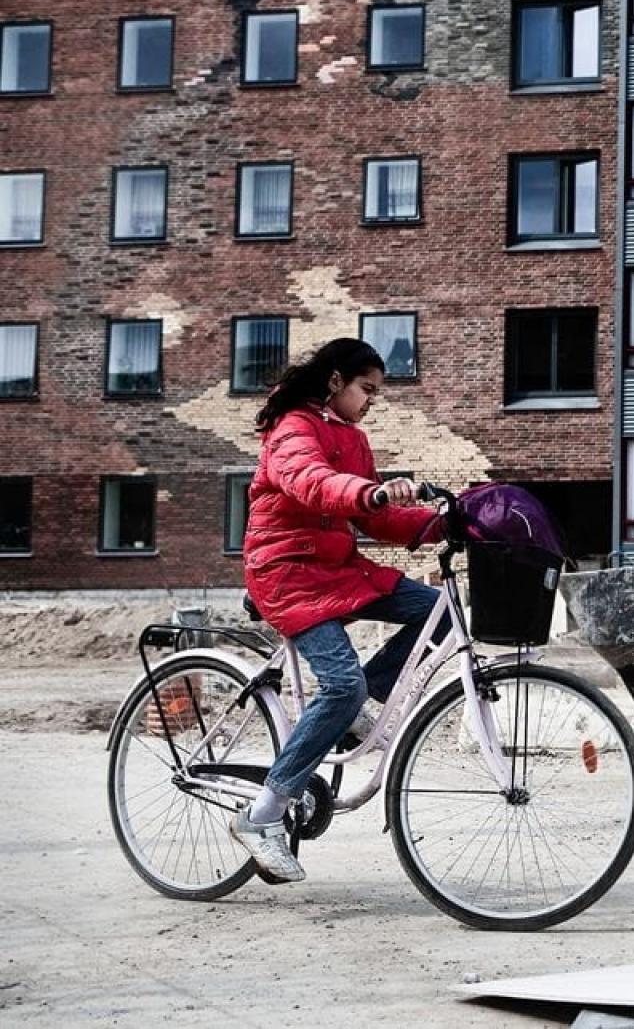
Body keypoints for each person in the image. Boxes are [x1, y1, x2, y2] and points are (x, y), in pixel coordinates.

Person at [228, 337, 443, 884]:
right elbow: (314, 483)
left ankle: (356, 704)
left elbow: (375, 518)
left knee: (436, 610)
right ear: (334, 381)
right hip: (287, 571)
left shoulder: (355, 438)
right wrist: (369, 494)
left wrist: (439, 521)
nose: (372, 400)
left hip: (337, 569)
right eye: (366, 389)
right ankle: (263, 815)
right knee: (340, 684)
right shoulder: (292, 428)